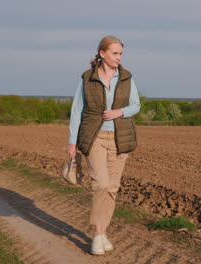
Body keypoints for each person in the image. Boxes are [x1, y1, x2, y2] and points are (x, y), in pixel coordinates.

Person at [67, 36, 140, 255]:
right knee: (100, 185)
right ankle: (98, 234)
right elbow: (77, 110)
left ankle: (102, 232)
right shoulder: (87, 78)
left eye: (120, 54)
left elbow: (136, 104)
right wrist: (72, 142)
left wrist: (120, 112)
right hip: (95, 137)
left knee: (112, 188)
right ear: (102, 54)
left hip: (119, 138)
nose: (119, 58)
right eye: (115, 53)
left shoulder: (126, 78)